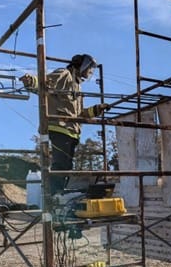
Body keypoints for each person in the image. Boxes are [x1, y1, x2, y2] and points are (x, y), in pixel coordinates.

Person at [20, 54, 109, 195]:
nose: (90, 72)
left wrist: (97, 109)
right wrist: (31, 81)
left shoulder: (77, 87)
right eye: (89, 68)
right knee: (61, 165)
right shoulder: (65, 74)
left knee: (66, 166)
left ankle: (59, 194)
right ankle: (53, 195)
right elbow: (46, 82)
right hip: (60, 128)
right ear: (82, 65)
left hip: (72, 132)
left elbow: (80, 114)